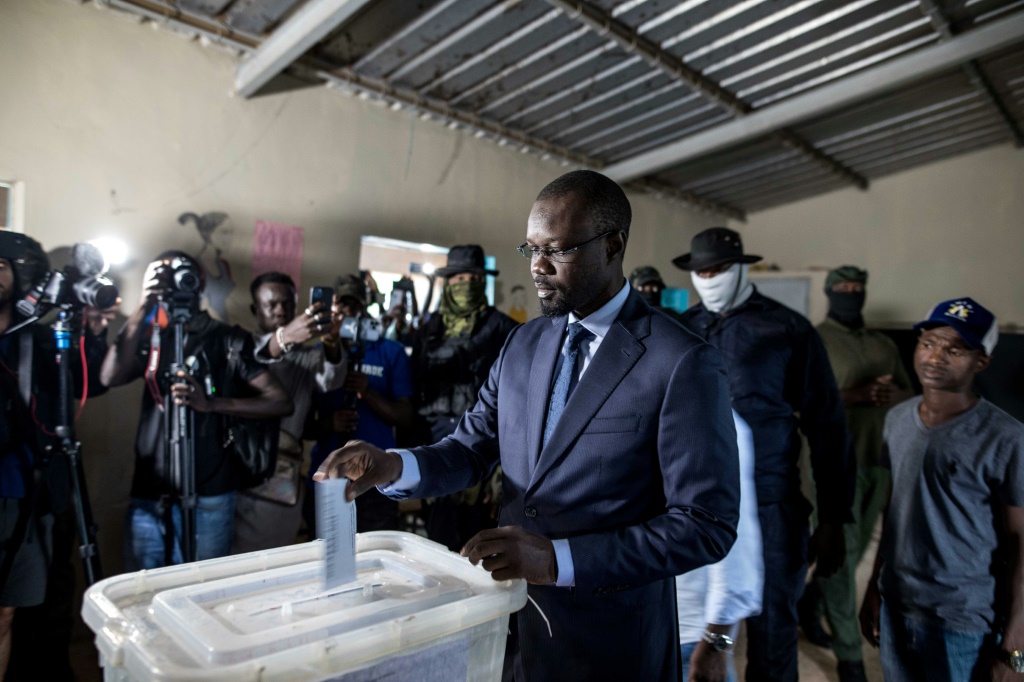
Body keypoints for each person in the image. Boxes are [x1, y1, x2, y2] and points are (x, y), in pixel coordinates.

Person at [315, 170, 740, 681]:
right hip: (515, 629)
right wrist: (390, 465)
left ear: (613, 245)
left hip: (612, 644)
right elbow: (469, 450)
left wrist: (558, 559)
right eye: (530, 249)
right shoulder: (523, 345)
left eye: (557, 250)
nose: (538, 266)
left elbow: (705, 525)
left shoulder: (680, 362)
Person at [673, 227, 853, 682]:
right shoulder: (682, 329)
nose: (709, 277)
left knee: (773, 628)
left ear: (741, 268)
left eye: (718, 269)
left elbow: (827, 425)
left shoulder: (787, 329)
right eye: (701, 271)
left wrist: (834, 518)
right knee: (707, 627)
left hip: (772, 502)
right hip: (700, 502)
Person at [860, 297, 1024, 681]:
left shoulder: (1006, 437)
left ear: (980, 362)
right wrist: (874, 587)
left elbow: (1022, 542)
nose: (935, 357)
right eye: (929, 343)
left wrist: (1016, 645)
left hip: (962, 620)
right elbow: (895, 514)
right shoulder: (897, 420)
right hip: (897, 607)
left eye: (954, 349)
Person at [100, 250, 292, 569]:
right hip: (151, 493)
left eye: (185, 276)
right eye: (166, 277)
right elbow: (109, 376)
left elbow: (280, 401)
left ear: (199, 283)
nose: (177, 285)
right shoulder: (150, 337)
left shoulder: (227, 339)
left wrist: (211, 403)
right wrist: (146, 305)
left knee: (199, 594)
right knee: (140, 597)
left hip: (210, 494)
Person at [0, 233, 111, 680]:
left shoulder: (42, 339)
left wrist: (94, 331)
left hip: (32, 495)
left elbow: (91, 383)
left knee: (14, 613)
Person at [798, 265, 912, 682]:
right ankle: (849, 657)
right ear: (830, 292)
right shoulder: (814, 338)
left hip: (878, 461)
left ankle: (809, 605)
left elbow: (910, 392)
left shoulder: (882, 343)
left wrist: (890, 394)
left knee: (857, 551)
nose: (851, 293)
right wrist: (858, 394)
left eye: (857, 288)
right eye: (843, 288)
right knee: (840, 561)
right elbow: (798, 398)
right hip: (832, 465)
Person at [411, 244, 518, 550]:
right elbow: (413, 395)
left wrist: (501, 470)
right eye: (458, 278)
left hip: (481, 459)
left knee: (478, 552)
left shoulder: (505, 330)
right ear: (448, 282)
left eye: (473, 278)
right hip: (430, 453)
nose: (465, 285)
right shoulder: (428, 331)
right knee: (436, 548)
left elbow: (515, 405)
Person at [231, 272, 347, 554]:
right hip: (234, 472)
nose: (281, 310)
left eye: (287, 304)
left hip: (280, 475)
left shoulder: (308, 357)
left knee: (271, 559)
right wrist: (282, 339)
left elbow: (331, 378)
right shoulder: (239, 347)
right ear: (255, 309)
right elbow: (257, 355)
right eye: (272, 305)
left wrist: (331, 341)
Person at [305, 274, 414, 534]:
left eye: (354, 306)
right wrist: (329, 423)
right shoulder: (317, 355)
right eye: (340, 306)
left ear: (365, 308)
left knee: (373, 557)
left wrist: (368, 392)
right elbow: (300, 425)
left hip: (377, 479)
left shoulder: (390, 351)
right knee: (326, 560)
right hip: (327, 475)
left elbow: (406, 416)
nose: (347, 313)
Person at [676, 412, 763, 682]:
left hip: (691, 637)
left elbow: (736, 544)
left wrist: (717, 641)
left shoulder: (714, 420)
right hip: (654, 630)